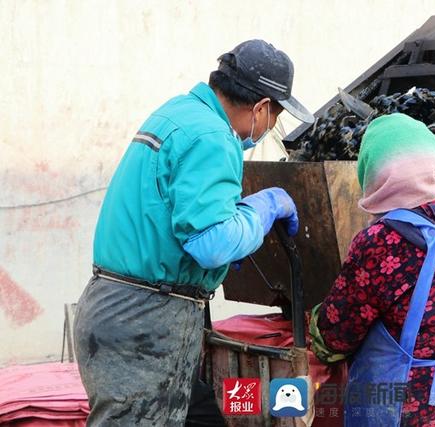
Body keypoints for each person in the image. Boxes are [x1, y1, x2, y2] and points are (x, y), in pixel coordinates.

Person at [73, 39, 314, 426]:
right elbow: (212, 243)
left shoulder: (178, 113)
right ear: (261, 108)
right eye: (276, 116)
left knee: (199, 417)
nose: (270, 128)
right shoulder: (213, 138)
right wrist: (263, 209)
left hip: (118, 305)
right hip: (145, 320)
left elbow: (175, 210)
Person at [309, 113, 435, 426]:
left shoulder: (382, 241)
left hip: (412, 408)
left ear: (375, 174)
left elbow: (337, 334)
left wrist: (314, 329)